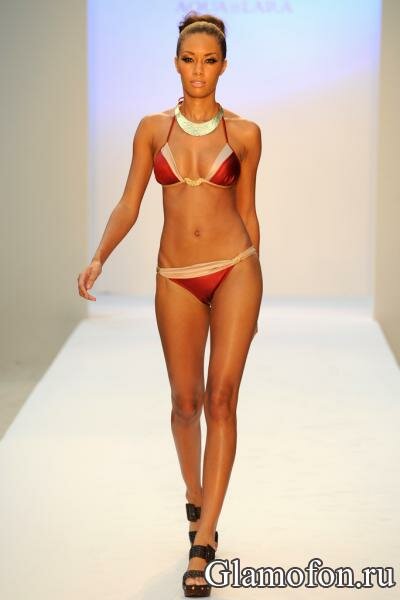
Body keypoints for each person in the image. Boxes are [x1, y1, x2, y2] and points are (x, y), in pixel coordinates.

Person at [77, 11, 263, 598]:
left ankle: (202, 543)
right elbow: (130, 201)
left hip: (235, 270)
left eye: (209, 61)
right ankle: (194, 495)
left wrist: (257, 281)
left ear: (224, 66)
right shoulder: (152, 129)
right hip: (176, 277)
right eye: (189, 60)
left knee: (221, 400)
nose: (198, 71)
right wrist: (99, 256)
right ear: (175, 63)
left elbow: (248, 211)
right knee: (186, 403)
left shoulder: (246, 133)